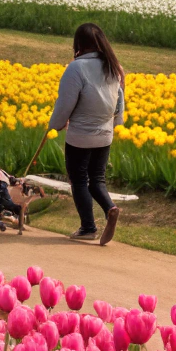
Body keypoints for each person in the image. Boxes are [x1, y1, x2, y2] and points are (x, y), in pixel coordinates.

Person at [48, 23, 127, 244]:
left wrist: (56, 124)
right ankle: (110, 207)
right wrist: (116, 123)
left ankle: (88, 227)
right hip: (104, 134)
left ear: (79, 44)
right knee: (97, 179)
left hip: (80, 135)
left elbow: (65, 102)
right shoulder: (113, 66)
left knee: (79, 180)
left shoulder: (76, 68)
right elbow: (120, 99)